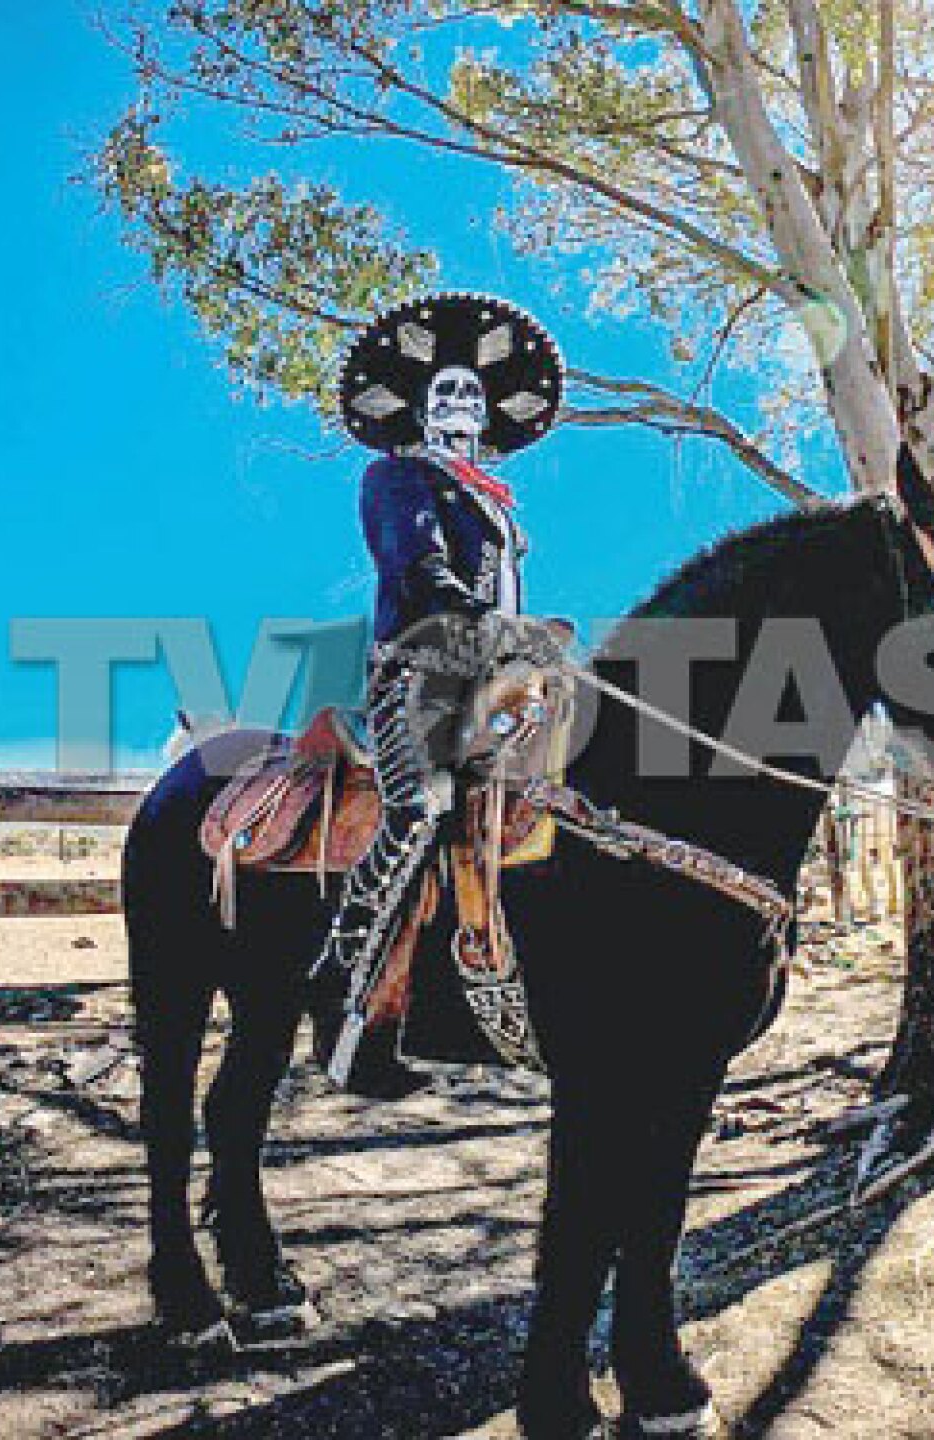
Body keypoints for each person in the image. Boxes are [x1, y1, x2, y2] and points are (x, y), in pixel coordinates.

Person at [312, 291, 565, 1095]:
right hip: (420, 671)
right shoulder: (395, 477)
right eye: (444, 392)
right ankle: (343, 968)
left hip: (498, 676)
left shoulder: (496, 504)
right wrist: (491, 624)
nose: (459, 403)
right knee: (421, 804)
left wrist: (525, 645)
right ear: (420, 411)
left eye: (470, 393)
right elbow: (418, 572)